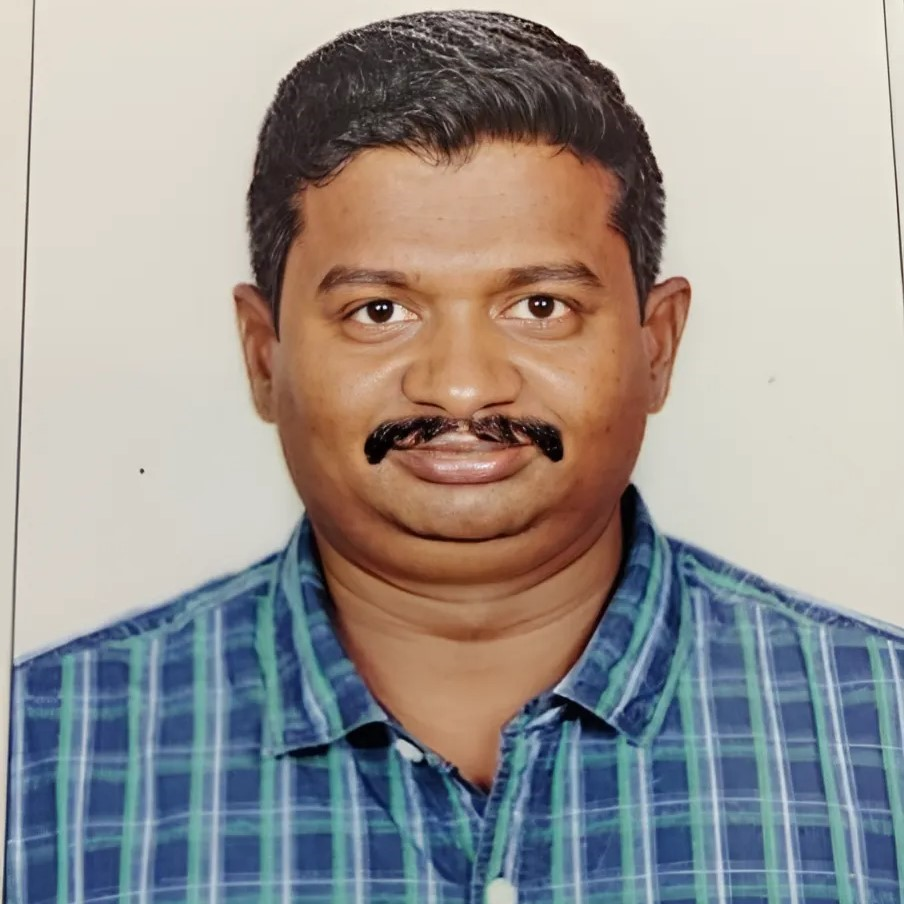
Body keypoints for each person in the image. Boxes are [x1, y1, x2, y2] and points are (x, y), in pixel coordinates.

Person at [6, 9, 904, 903]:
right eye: (381, 312)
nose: (464, 389)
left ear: (656, 345)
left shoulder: (883, 730)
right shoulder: (38, 753)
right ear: (264, 355)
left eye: (541, 307)